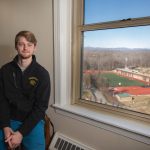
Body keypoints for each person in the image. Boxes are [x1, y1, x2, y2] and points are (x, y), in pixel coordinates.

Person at [0, 31, 51, 150]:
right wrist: (5, 126)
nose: (25, 48)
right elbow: (1, 100)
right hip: (8, 118)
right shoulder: (5, 70)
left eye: (29, 44)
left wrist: (21, 133)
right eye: (21, 44)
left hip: (32, 121)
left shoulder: (42, 74)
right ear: (16, 46)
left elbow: (41, 107)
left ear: (35, 47)